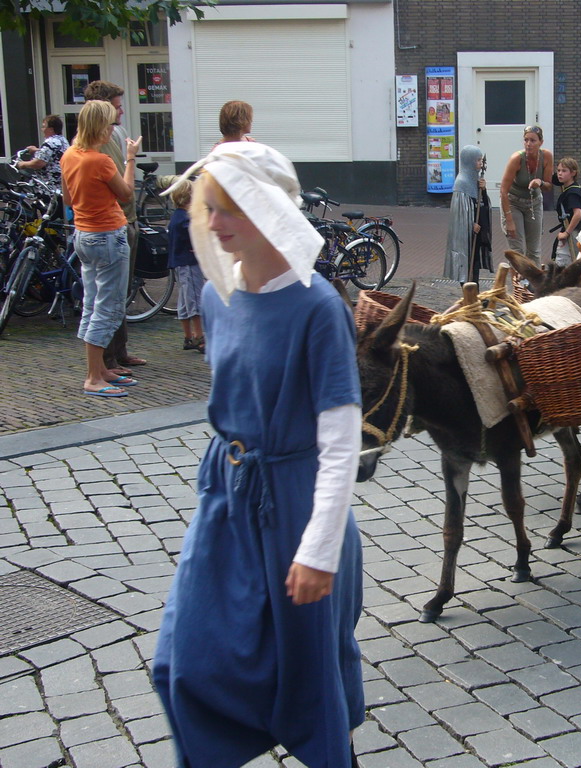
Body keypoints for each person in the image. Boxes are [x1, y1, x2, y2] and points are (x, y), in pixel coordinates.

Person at [153, 141, 364, 768]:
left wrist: (319, 549)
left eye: (226, 209)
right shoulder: (219, 298)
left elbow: (340, 440)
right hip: (226, 503)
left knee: (310, 685)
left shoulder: (318, 306)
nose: (212, 224)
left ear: (267, 210)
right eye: (206, 209)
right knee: (183, 664)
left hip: (297, 512)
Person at [60, 100, 142, 398]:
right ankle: (94, 377)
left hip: (83, 235)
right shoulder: (101, 161)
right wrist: (130, 159)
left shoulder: (70, 155)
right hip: (107, 235)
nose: (112, 129)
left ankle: (99, 369)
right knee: (108, 308)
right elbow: (126, 193)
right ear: (98, 126)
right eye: (109, 124)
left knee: (93, 304)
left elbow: (68, 199)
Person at [83, 79, 147, 374]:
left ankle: (116, 353)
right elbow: (125, 190)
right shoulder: (96, 150)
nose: (121, 114)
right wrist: (131, 159)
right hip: (111, 225)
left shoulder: (87, 148)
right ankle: (104, 363)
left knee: (114, 294)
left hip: (115, 223)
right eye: (117, 108)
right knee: (107, 298)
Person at [499, 125, 553, 264]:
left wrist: (539, 182)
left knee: (534, 251)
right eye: (526, 140)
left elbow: (548, 186)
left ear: (541, 142)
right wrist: (509, 220)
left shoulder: (546, 156)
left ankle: (533, 284)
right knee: (518, 251)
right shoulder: (516, 159)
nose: (528, 144)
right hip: (513, 202)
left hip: (533, 202)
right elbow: (503, 191)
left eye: (533, 140)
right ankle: (518, 285)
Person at [166, 180, 205, 352]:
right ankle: (199, 336)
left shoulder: (176, 217)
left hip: (180, 263)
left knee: (184, 300)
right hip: (189, 262)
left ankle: (188, 336)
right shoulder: (186, 220)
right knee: (195, 299)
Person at [444, 145, 492, 285]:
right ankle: (468, 292)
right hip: (467, 235)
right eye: (477, 160)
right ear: (468, 161)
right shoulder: (462, 183)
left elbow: (483, 203)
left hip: (477, 233)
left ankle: (474, 291)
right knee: (467, 262)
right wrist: (470, 224)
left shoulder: (476, 181)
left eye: (481, 160)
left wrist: (483, 190)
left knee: (475, 262)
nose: (480, 163)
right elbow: (459, 215)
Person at [16, 114, 69, 191]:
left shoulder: (50, 142)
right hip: (62, 184)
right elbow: (53, 153)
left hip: (51, 187)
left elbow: (39, 163)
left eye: (44, 127)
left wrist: (22, 164)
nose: (42, 129)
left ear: (51, 129)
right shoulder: (62, 140)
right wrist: (36, 150)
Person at [552, 157, 581, 266]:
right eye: (558, 171)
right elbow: (554, 180)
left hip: (574, 231)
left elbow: (578, 214)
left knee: (564, 260)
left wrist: (567, 233)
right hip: (571, 229)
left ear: (573, 173)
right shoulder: (570, 187)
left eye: (564, 171)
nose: (560, 174)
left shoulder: (572, 192)